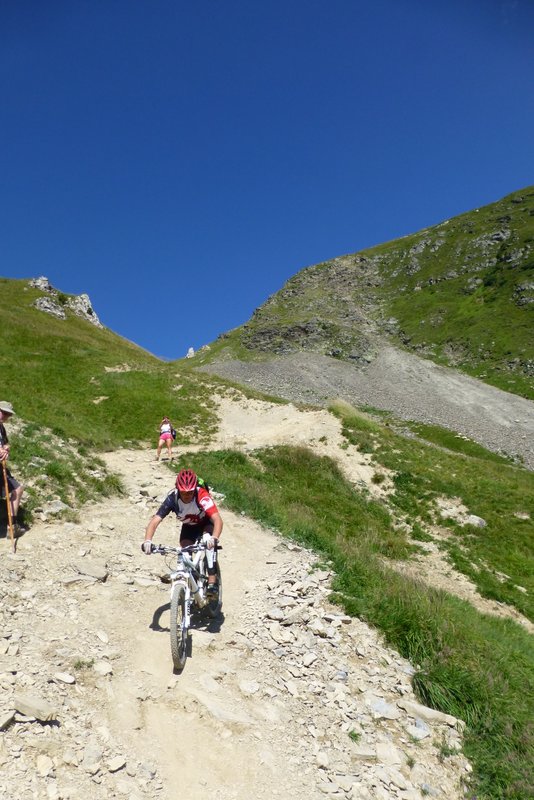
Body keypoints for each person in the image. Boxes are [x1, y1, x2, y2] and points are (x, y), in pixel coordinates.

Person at [142, 468, 223, 594]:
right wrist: (148, 541)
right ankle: (192, 582)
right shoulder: (172, 499)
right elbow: (155, 521)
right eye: (184, 492)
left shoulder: (202, 495)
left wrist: (214, 538)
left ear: (195, 488)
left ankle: (212, 581)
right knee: (184, 552)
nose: (187, 495)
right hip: (189, 527)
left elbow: (217, 519)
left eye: (190, 492)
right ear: (177, 489)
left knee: (208, 542)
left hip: (206, 523)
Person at [0, 401, 24, 527]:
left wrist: (6, 448)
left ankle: (12, 524)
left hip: (1, 466)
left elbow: (6, 443)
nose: (5, 416)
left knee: (17, 489)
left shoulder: (1, 428)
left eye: (8, 414)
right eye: (3, 412)